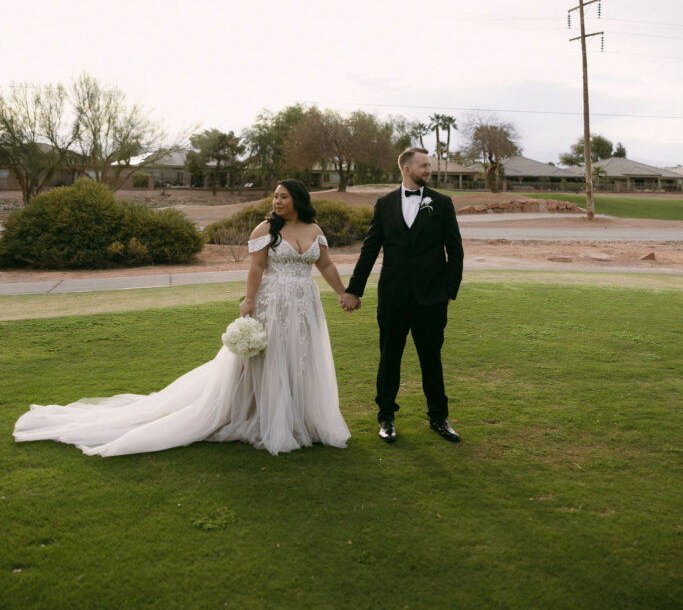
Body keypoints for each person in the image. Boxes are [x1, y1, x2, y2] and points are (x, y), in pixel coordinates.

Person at [14, 181, 352, 457]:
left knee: (301, 359)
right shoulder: (265, 228)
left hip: (305, 304)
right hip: (272, 303)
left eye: (283, 196)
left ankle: (301, 419)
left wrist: (342, 292)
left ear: (298, 200)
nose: (277, 201)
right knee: (270, 360)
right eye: (275, 196)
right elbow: (257, 267)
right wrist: (248, 301)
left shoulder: (314, 229)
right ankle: (262, 418)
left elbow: (325, 266)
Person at [340, 148, 463, 444]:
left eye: (429, 166)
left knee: (431, 360)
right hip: (393, 297)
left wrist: (449, 291)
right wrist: (354, 290)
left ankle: (438, 418)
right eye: (423, 166)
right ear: (406, 169)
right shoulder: (383, 205)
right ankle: (386, 418)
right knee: (389, 359)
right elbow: (370, 249)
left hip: (431, 300)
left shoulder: (442, 203)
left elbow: (455, 250)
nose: (428, 170)